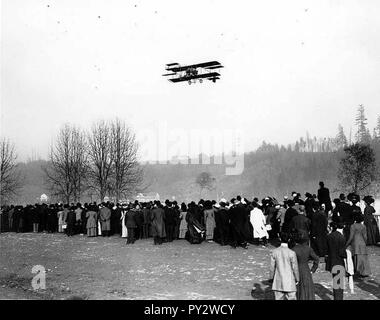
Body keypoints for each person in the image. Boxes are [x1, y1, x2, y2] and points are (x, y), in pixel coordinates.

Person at [268, 232, 299, 300]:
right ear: (289, 240)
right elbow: (295, 268)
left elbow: (272, 267)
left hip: (278, 280)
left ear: (279, 239)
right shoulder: (292, 253)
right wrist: (297, 278)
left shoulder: (275, 251)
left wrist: (271, 278)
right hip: (290, 281)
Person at [292, 233, 319, 300]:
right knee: (308, 289)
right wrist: (313, 269)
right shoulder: (308, 249)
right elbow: (316, 259)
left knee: (299, 288)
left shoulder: (293, 249)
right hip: (306, 269)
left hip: (296, 269)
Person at [326, 219, 347, 300]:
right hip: (339, 262)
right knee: (339, 284)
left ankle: (336, 297)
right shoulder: (341, 237)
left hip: (332, 261)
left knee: (335, 282)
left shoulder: (330, 236)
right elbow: (342, 253)